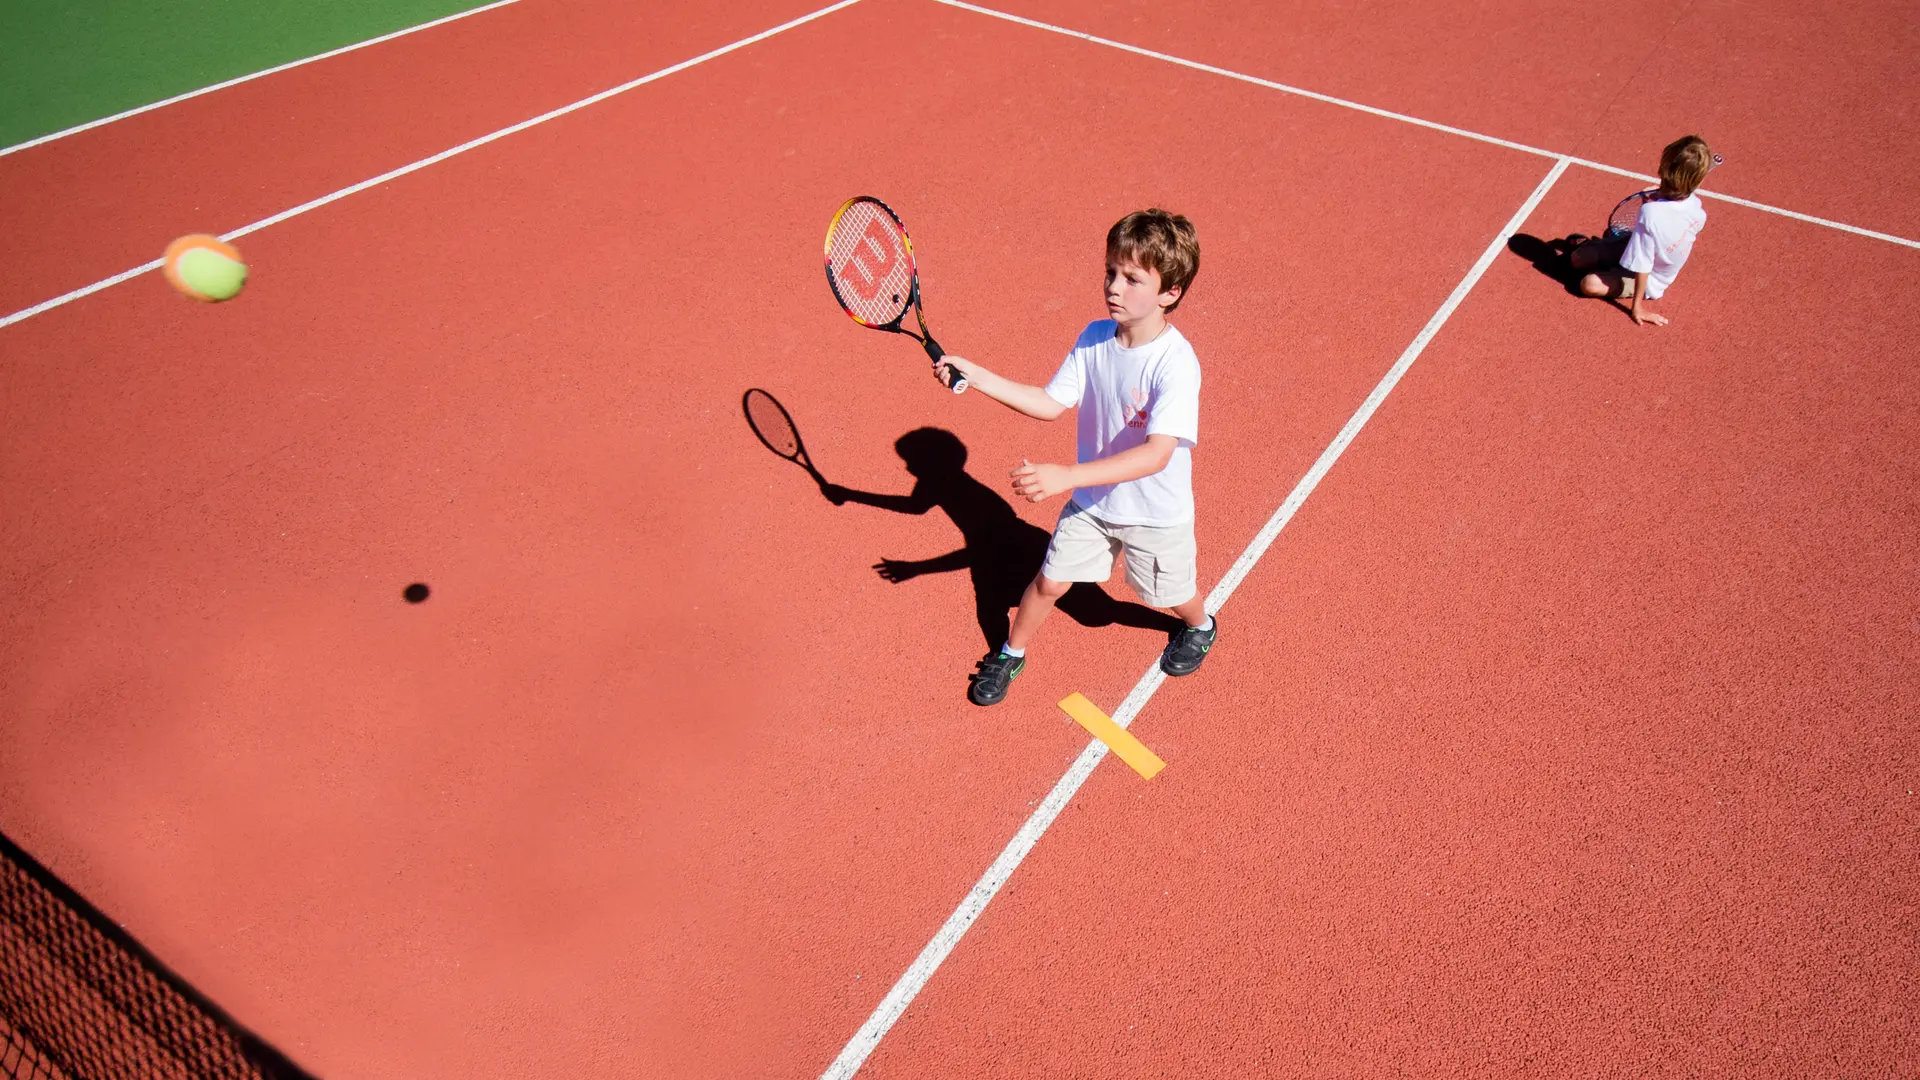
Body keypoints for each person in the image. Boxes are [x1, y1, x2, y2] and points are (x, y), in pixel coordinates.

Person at [938, 209, 1214, 707]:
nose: (1114, 286)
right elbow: (1049, 403)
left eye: (1132, 279)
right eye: (1111, 272)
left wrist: (1066, 474)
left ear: (1169, 292)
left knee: (1168, 596)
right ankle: (1010, 653)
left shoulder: (1176, 364)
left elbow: (1156, 455)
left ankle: (1200, 626)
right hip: (1093, 503)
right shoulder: (1093, 339)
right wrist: (977, 375)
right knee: (1048, 582)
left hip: (1154, 512)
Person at [1569, 135, 1714, 326]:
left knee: (1589, 284)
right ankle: (1603, 254)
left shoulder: (1650, 212)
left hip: (1652, 279)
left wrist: (1637, 307)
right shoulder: (1697, 208)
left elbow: (1644, 264)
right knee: (1577, 259)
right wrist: (1661, 195)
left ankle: (1607, 262)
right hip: (1641, 244)